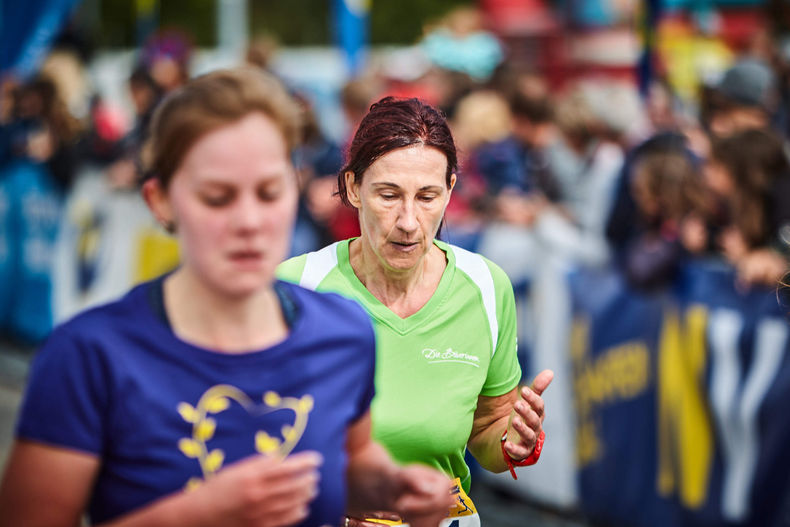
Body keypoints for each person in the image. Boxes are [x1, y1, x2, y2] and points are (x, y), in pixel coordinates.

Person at [0, 69, 455, 527]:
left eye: (269, 193)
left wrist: (396, 486)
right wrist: (198, 515)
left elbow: (351, 463)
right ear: (160, 201)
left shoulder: (344, 331)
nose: (249, 222)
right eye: (218, 198)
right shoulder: (88, 355)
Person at [278, 96, 554, 526]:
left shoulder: (484, 286)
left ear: (451, 190)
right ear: (353, 188)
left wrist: (512, 441)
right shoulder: (297, 288)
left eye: (427, 197)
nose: (408, 221)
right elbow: (245, 440)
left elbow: (488, 427)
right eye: (388, 195)